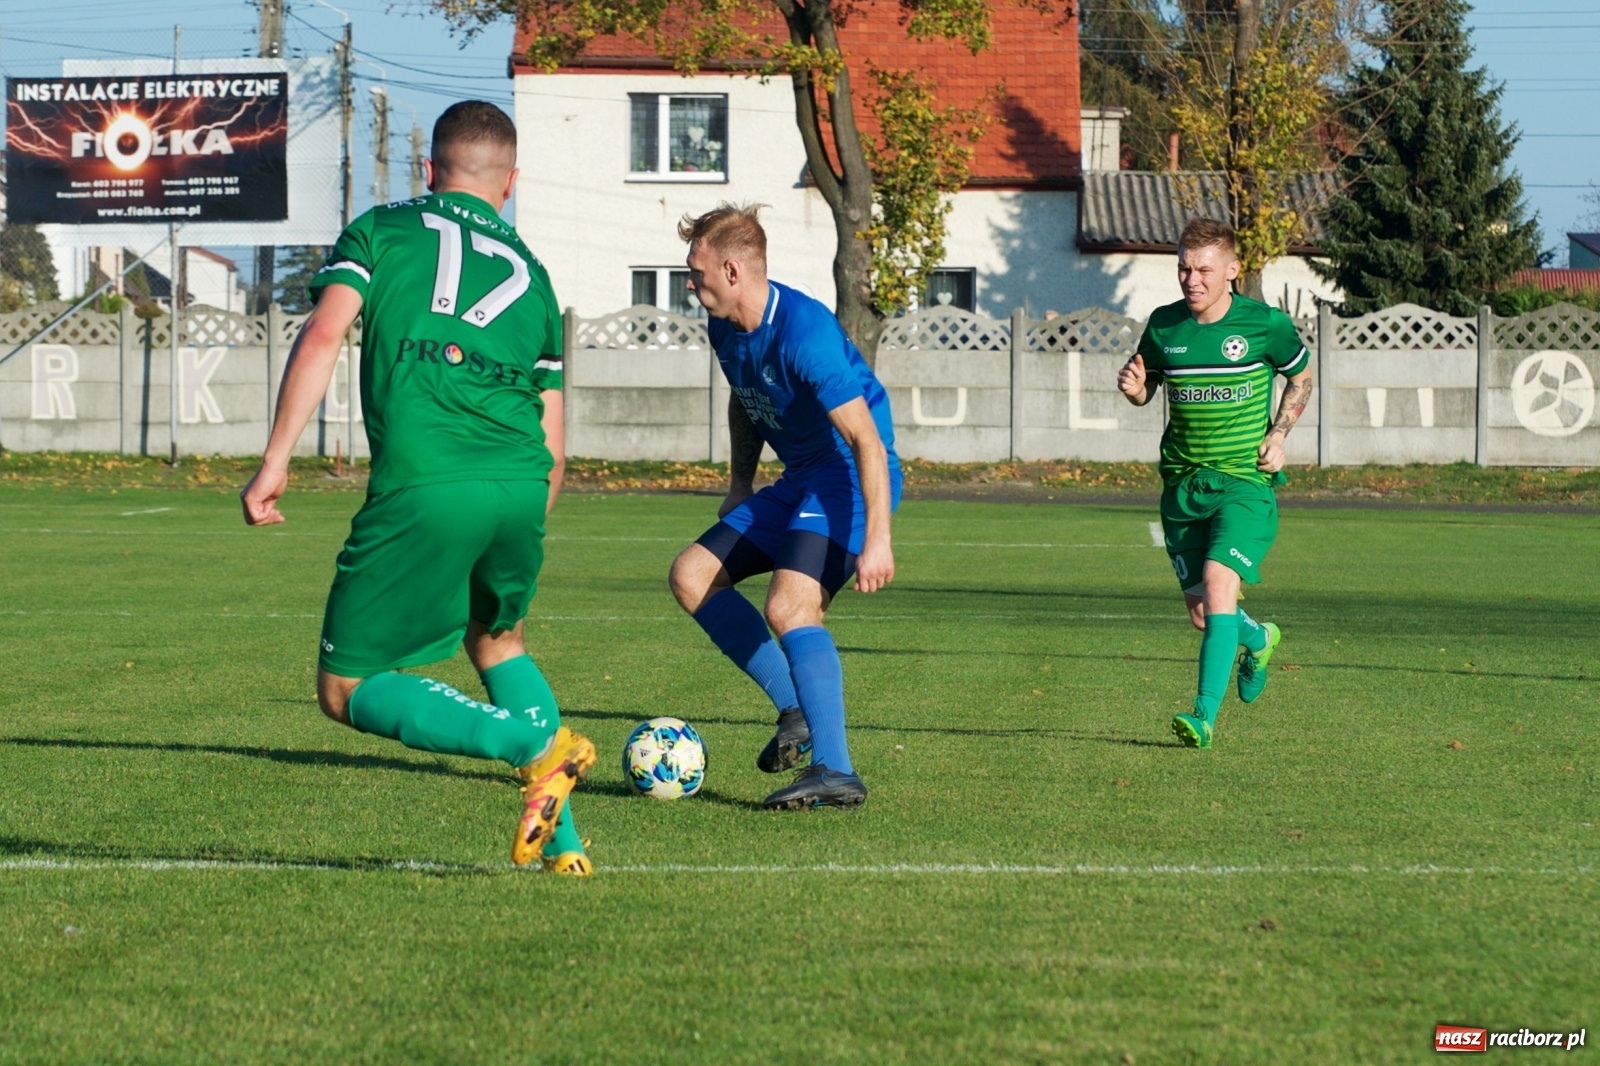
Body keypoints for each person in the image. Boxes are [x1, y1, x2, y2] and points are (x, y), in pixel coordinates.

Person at [240, 100, 597, 873]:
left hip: (430, 479)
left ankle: (528, 744)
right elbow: (556, 441)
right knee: (498, 638)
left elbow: (326, 332)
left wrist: (276, 460)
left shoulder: (383, 229)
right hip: (520, 484)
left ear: (429, 170)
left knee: (345, 686)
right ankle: (564, 848)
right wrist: (517, 518)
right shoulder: (534, 275)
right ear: (511, 183)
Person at [667, 203, 900, 809]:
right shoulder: (725, 326)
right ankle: (794, 708)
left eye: (698, 272)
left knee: (789, 604)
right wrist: (740, 483)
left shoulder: (805, 331)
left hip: (848, 478)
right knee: (692, 577)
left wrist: (878, 539)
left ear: (734, 269)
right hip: (800, 478)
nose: (691, 284)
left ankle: (836, 770)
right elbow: (746, 401)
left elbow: (867, 442)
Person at [1117, 217, 1313, 749]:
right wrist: (1135, 389)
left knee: (1220, 583)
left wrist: (1278, 434)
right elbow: (1148, 390)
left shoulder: (1264, 325)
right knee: (1205, 612)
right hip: (1182, 487)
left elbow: (1301, 376)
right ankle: (1259, 638)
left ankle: (1203, 718)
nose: (1191, 279)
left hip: (1245, 484)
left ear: (1231, 270)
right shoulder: (1163, 326)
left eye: (1203, 268)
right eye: (1183, 267)